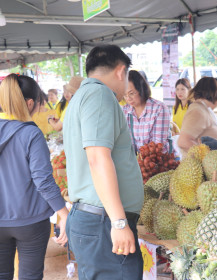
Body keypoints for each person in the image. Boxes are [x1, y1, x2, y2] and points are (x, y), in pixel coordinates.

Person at [63, 45, 143, 279]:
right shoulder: (99, 95)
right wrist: (118, 223)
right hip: (103, 221)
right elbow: (98, 158)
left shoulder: (80, 97)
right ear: (121, 71)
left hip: (94, 219)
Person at [0, 74, 68, 280]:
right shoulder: (31, 134)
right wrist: (63, 213)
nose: (40, 109)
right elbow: (43, 181)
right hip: (30, 221)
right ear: (29, 103)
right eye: (39, 104)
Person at [123, 70, 173, 154]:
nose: (128, 98)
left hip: (158, 161)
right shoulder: (125, 111)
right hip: (137, 162)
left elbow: (158, 145)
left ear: (141, 89)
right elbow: (126, 143)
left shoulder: (159, 109)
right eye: (125, 95)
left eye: (131, 93)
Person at [177, 77, 217, 155]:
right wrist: (211, 157)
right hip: (198, 165)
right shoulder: (198, 110)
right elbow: (183, 142)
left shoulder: (203, 109)